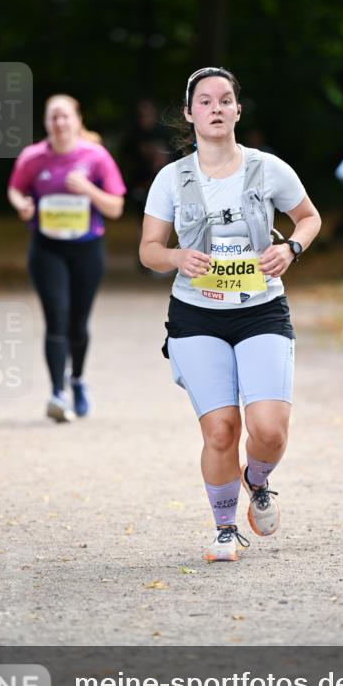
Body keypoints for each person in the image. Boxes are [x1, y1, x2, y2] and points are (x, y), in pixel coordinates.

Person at [139, 67, 321, 562]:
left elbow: (309, 217)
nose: (215, 109)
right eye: (205, 101)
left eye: (225, 100)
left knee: (269, 430)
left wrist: (293, 249)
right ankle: (224, 528)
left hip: (261, 310)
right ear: (189, 114)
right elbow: (149, 251)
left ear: (238, 110)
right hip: (196, 314)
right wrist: (176, 257)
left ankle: (256, 481)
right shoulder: (171, 179)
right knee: (220, 428)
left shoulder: (268, 169)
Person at [8, 94, 126, 422]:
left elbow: (115, 207)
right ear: (46, 123)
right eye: (52, 117)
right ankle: (56, 392)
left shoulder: (95, 156)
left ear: (77, 120)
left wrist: (88, 190)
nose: (59, 123)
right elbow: (16, 189)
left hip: (87, 249)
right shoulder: (33, 157)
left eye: (64, 117)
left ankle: (77, 381)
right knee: (55, 318)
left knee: (78, 322)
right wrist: (21, 204)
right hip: (47, 248)